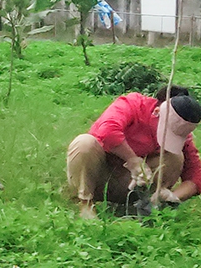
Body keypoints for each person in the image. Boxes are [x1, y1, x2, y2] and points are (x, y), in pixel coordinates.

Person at [66, 86, 201, 220]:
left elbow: (196, 174)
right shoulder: (134, 104)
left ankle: (146, 204)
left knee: (175, 157)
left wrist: (174, 196)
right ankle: (85, 203)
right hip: (98, 175)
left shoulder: (182, 133)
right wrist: (133, 160)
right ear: (156, 112)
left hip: (130, 184)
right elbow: (108, 131)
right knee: (85, 143)